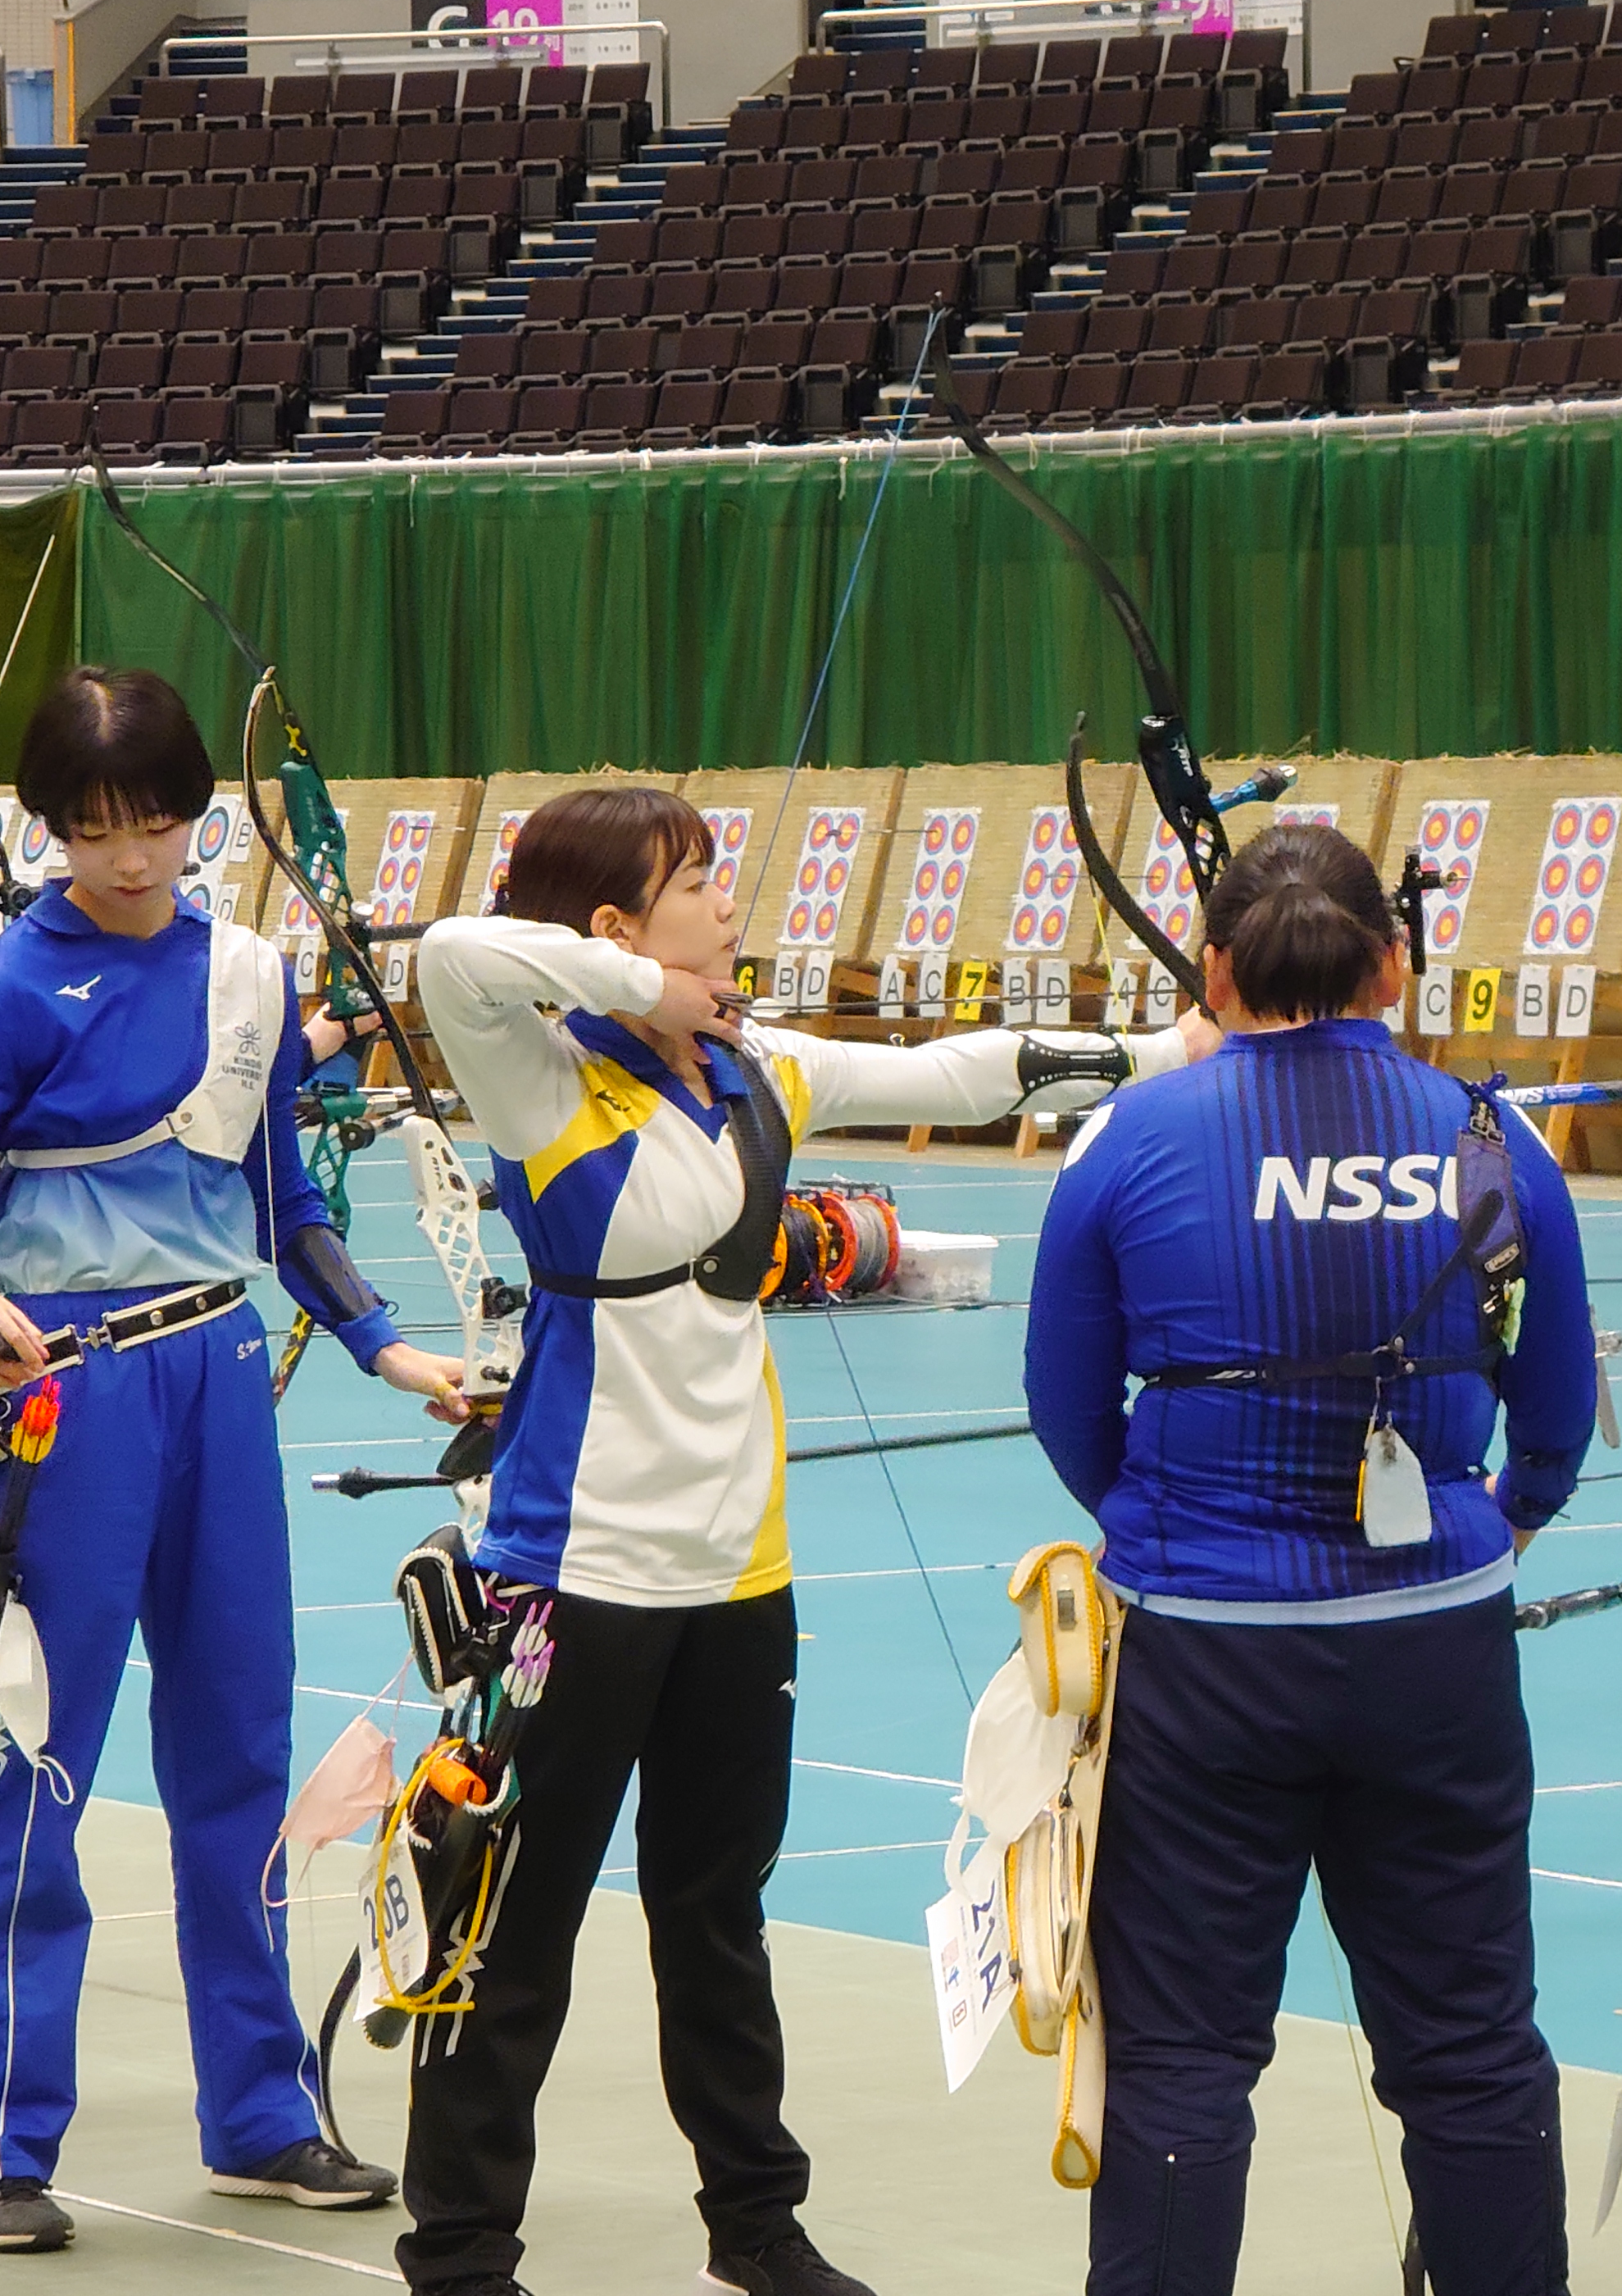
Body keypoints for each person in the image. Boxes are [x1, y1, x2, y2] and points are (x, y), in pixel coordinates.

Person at [400, 784, 1212, 2296]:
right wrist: (650, 989)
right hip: (574, 1571)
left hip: (740, 1572)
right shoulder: (542, 1079)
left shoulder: (755, 1069)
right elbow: (452, 949)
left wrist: (1179, 1052)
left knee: (716, 1917)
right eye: (694, 881)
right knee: (516, 1921)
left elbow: (965, 1072)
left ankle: (754, 2229)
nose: (730, 901)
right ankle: (458, 2255)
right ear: (615, 929)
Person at [0, 668, 467, 2253]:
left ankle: (263, 2111)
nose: (132, 857)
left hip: (218, 1388)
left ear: (198, 812)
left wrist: (385, 1346)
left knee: (238, 1762)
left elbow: (288, 1204)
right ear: (50, 827)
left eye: (158, 821)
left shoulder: (253, 980)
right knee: (27, 1767)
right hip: (62, 1406)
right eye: (95, 828)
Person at [1025, 823, 1597, 2296]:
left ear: (1211, 972)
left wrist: (1174, 1525)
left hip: (1205, 1654)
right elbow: (1556, 1396)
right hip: (1436, 1646)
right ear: (1394, 966)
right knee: (1469, 2047)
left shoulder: (1133, 1140)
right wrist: (1507, 1512)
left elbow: (1069, 1409)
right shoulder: (1488, 1138)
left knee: (1183, 2058)